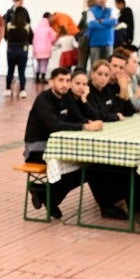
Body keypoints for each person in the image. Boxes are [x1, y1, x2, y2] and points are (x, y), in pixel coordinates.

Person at [23, 66, 103, 218]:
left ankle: (45, 194)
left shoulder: (67, 98)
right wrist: (85, 126)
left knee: (87, 167)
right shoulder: (43, 100)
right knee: (77, 166)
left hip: (60, 147)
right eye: (61, 80)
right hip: (37, 150)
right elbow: (55, 125)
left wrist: (88, 117)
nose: (64, 84)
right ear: (51, 82)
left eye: (67, 81)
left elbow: (79, 118)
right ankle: (48, 197)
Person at [3, 0, 33, 99]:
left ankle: (8, 89)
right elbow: (31, 39)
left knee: (10, 70)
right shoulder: (27, 26)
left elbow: (5, 37)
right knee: (22, 72)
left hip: (11, 50)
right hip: (23, 50)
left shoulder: (9, 25)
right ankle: (22, 90)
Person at [84, 0, 117, 66]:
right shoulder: (91, 11)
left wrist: (100, 21)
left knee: (108, 65)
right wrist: (108, 23)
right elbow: (91, 25)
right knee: (95, 65)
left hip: (108, 43)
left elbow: (114, 21)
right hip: (95, 43)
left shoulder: (111, 10)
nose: (102, 0)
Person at [32, 10, 56, 81]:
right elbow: (54, 38)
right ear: (49, 17)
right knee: (44, 64)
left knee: (39, 63)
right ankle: (43, 78)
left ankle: (37, 77)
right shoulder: (49, 29)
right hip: (45, 49)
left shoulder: (36, 28)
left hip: (36, 49)